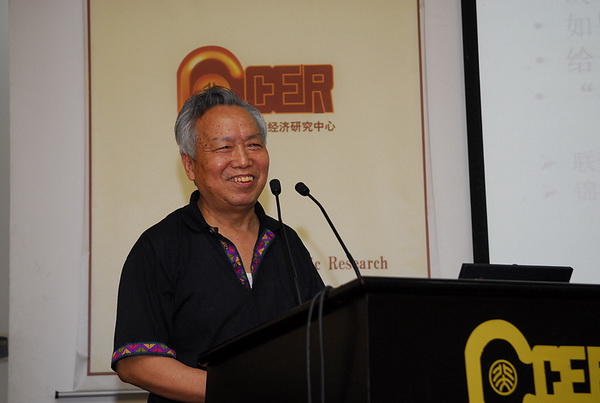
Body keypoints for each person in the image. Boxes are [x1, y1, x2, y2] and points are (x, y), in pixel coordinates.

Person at [111, 86, 325, 402]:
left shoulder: (287, 241)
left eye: (254, 144)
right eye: (224, 147)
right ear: (190, 165)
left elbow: (324, 336)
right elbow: (136, 363)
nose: (243, 160)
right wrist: (240, 390)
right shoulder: (159, 247)